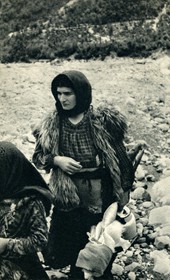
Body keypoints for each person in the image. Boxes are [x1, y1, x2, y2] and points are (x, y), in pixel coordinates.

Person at [32, 70, 135, 279]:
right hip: (68, 195)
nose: (62, 98)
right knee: (71, 246)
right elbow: (38, 157)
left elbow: (122, 161)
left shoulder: (103, 122)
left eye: (68, 93)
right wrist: (57, 160)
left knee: (100, 242)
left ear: (80, 93)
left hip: (100, 194)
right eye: (59, 93)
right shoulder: (53, 123)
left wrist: (123, 193)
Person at [0, 141, 53, 280]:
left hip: (23, 266)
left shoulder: (32, 201)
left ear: (11, 170)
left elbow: (40, 240)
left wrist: (7, 244)